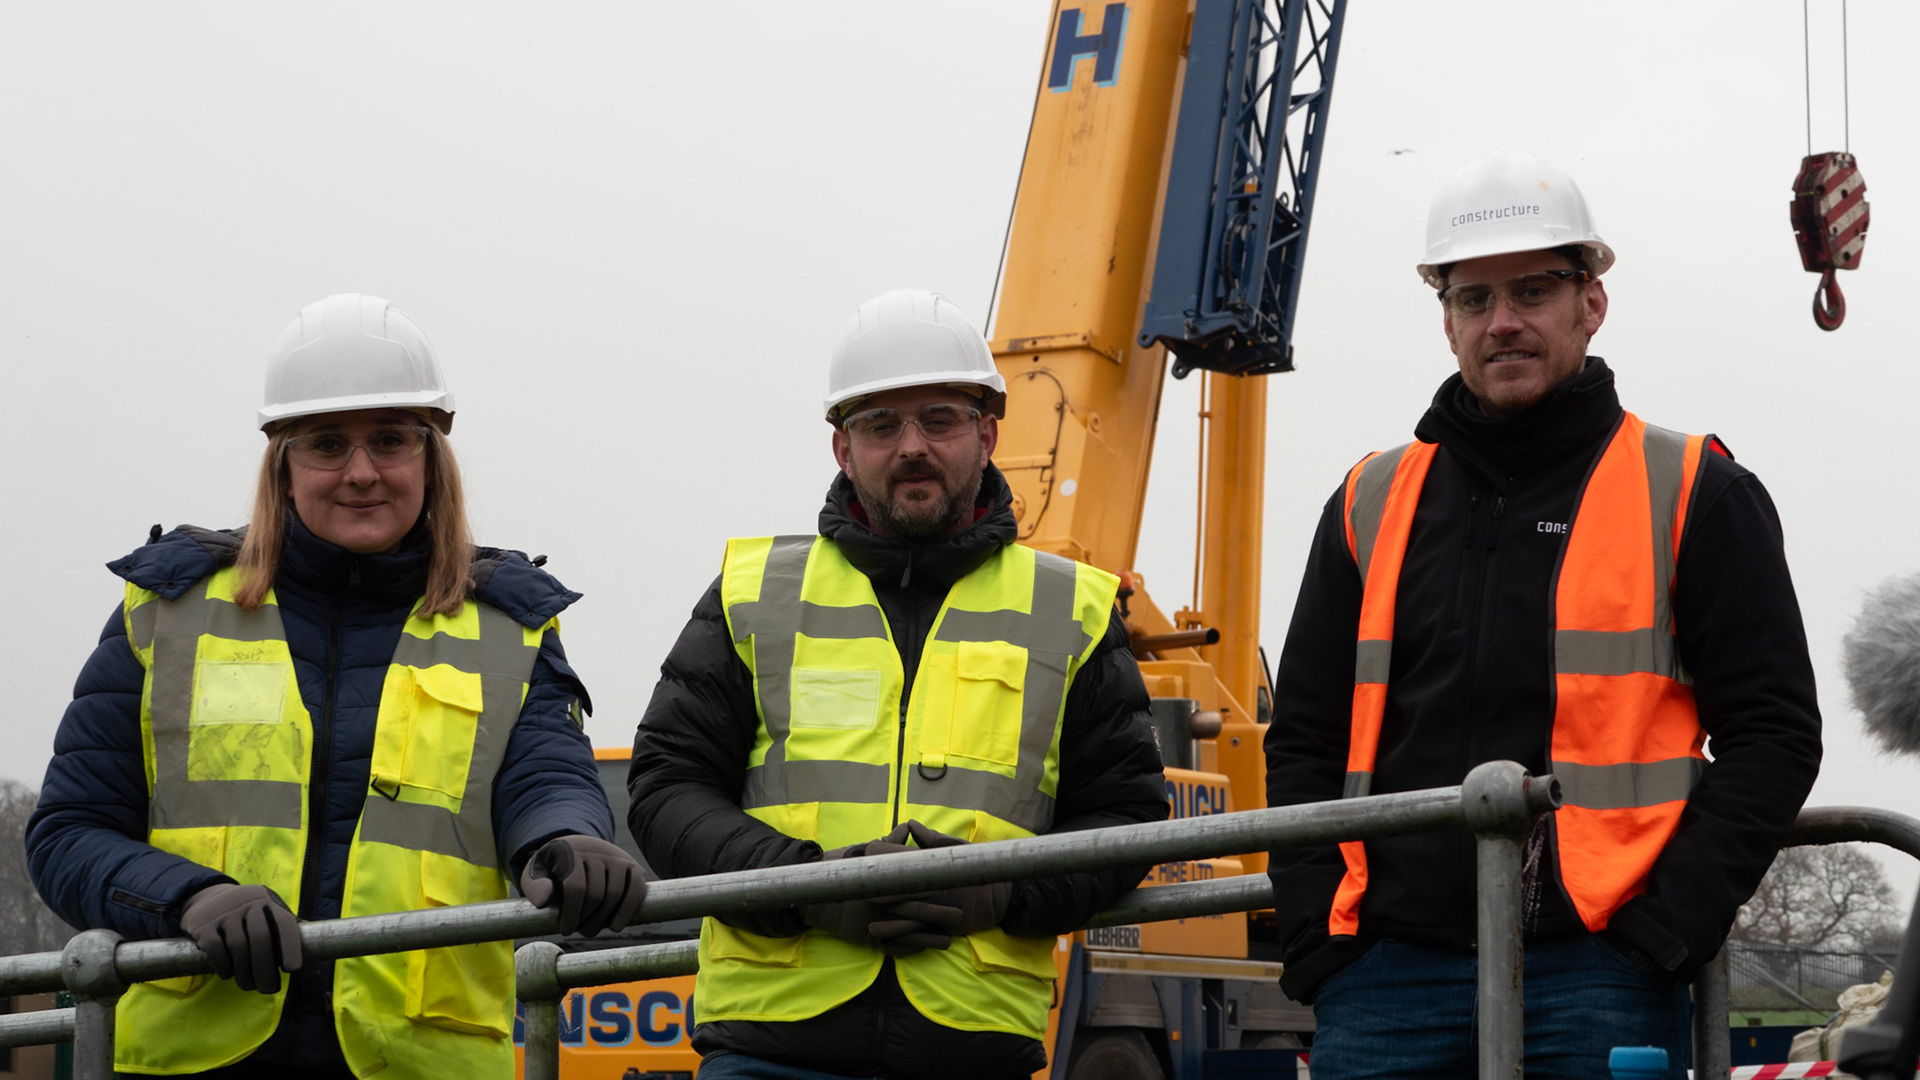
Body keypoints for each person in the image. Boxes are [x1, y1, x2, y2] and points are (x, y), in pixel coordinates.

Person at [1262, 152, 1823, 1079]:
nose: (1503, 321)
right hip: (1384, 977)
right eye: (1474, 298)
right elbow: (1304, 738)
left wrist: (1667, 929)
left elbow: (1775, 733)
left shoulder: (1694, 490)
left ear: (1591, 303)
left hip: (1600, 967)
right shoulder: (1369, 500)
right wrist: (1321, 940)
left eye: (1532, 291)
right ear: (1447, 320)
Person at [26, 293, 647, 1079]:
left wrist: (567, 840)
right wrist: (186, 898)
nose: (361, 472)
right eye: (326, 443)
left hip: (419, 1064)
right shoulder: (166, 612)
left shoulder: (511, 626)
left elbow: (546, 779)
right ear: (283, 465)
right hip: (194, 1061)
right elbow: (69, 832)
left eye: (390, 439)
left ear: (431, 458)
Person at [627, 288, 1167, 1080]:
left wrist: (999, 891)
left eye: (939, 420)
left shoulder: (1073, 609)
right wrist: (809, 887)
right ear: (843, 450)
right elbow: (665, 789)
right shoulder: (754, 594)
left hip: (972, 1052)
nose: (912, 446)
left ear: (987, 435)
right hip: (769, 1049)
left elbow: (1127, 816)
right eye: (881, 425)